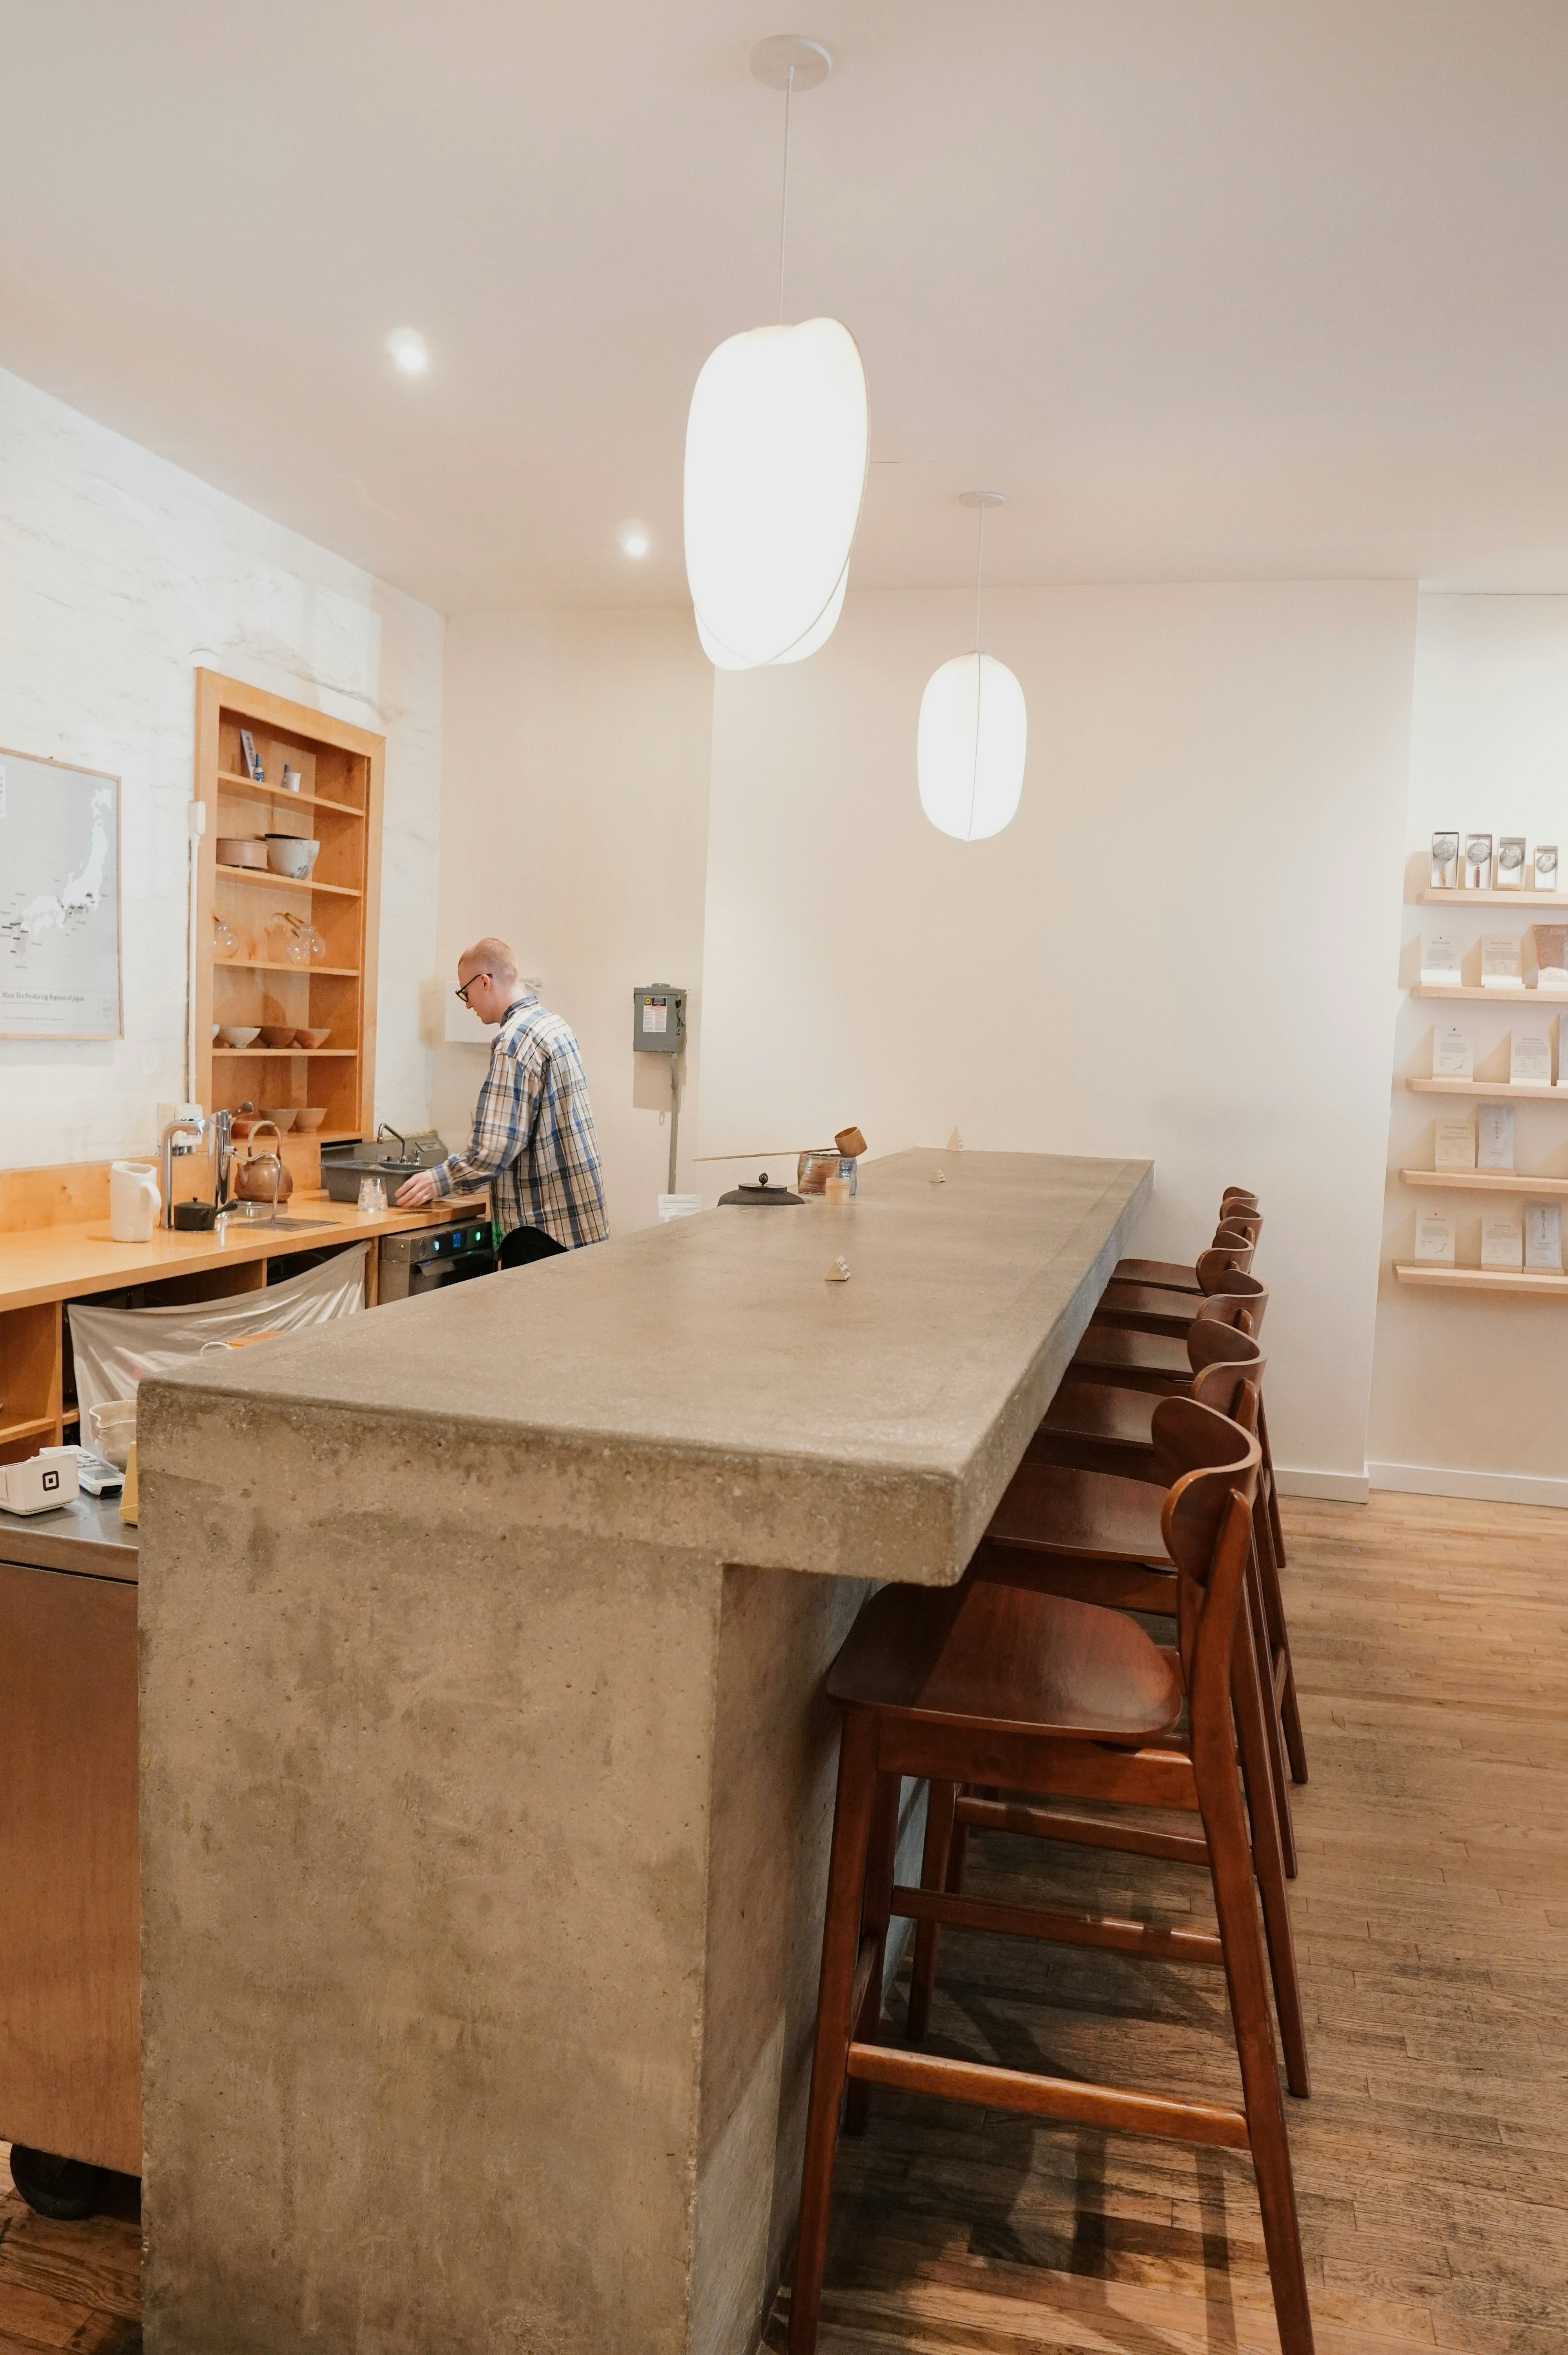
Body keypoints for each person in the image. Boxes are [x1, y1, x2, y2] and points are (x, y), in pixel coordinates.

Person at [395, 938, 608, 1258]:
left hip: (540, 1227)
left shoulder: (513, 1041)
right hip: (578, 1219)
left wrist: (437, 1180)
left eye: (465, 993)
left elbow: (495, 1147)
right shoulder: (553, 1025)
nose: (467, 1004)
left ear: (484, 982)